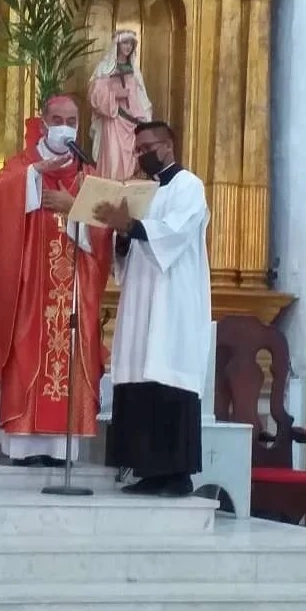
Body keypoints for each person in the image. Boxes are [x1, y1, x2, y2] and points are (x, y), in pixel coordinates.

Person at [0, 95, 111, 466]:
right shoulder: (22, 165)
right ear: (44, 121)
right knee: (27, 350)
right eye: (57, 118)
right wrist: (35, 178)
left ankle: (60, 449)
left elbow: (103, 237)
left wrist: (74, 207)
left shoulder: (89, 174)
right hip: (31, 287)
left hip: (74, 290)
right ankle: (23, 445)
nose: (64, 125)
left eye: (71, 119)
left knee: (69, 357)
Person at [94, 120, 211, 496]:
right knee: (138, 378)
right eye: (137, 148)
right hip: (142, 298)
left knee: (166, 379)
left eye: (147, 147)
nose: (141, 154)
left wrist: (130, 224)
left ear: (167, 147)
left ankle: (176, 476)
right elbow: (129, 251)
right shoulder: (143, 191)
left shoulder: (188, 186)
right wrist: (122, 235)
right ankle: (147, 471)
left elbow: (175, 231)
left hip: (173, 301)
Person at [88, 30, 152, 181]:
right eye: (125, 42)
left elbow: (141, 96)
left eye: (131, 43)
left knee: (131, 160)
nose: (128, 46)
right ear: (117, 44)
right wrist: (114, 95)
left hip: (131, 123)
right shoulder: (105, 67)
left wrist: (145, 117)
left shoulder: (135, 70)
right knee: (113, 158)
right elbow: (94, 94)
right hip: (114, 120)